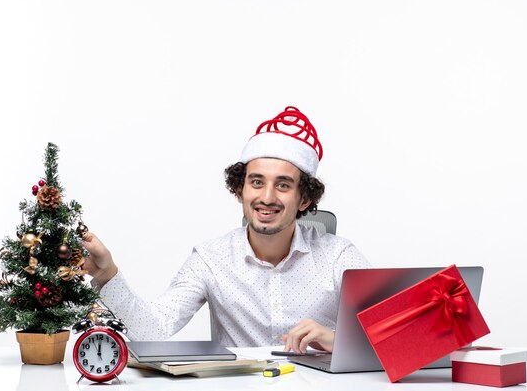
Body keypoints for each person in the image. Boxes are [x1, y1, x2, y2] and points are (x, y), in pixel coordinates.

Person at [82, 106, 371, 353]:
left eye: (283, 185)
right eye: (256, 182)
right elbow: (152, 330)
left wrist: (339, 341)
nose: (267, 197)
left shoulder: (338, 256)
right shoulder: (210, 258)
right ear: (239, 190)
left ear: (304, 198)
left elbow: (405, 333)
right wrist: (107, 274)